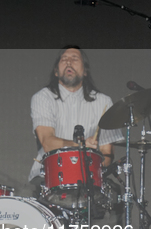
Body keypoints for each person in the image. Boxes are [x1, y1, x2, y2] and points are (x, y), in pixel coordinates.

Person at [29, 46, 123, 184]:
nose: (69, 62)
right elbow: (47, 142)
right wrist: (81, 146)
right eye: (64, 59)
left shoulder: (103, 102)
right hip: (47, 176)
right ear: (56, 71)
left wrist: (94, 169)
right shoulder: (43, 97)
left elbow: (107, 152)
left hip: (88, 179)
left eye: (75, 59)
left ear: (85, 71)